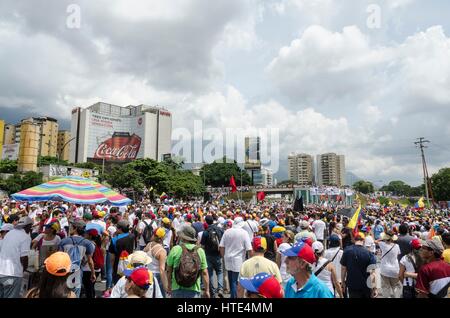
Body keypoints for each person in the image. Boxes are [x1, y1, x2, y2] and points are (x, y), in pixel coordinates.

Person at [167, 225, 209, 298]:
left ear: (183, 237)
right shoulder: (200, 251)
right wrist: (207, 290)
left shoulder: (175, 249)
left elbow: (168, 270)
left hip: (177, 287)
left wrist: (169, 285)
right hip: (194, 288)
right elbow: (204, 273)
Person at [58, 219, 95, 298]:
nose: (70, 228)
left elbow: (59, 258)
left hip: (64, 272)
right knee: (75, 294)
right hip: (77, 272)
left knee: (63, 293)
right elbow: (90, 261)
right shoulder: (87, 243)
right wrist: (93, 273)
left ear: (75, 229)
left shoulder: (63, 241)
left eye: (71, 227)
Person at [219, 217, 252, 298]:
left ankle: (233, 296)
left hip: (228, 259)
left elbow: (221, 246)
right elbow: (249, 249)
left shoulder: (227, 231)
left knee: (231, 281)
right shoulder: (244, 233)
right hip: (238, 260)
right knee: (235, 282)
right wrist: (251, 260)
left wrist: (223, 257)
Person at [0, 217, 32, 298]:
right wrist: (24, 269)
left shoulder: (9, 233)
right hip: (12, 274)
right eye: (30, 226)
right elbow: (24, 257)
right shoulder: (25, 237)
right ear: (27, 226)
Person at [340, 232, 378, 298]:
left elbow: (343, 268)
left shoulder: (347, 251)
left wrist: (343, 282)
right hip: (366, 286)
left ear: (354, 239)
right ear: (363, 240)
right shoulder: (369, 253)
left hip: (352, 284)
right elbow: (373, 273)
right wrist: (375, 288)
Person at [200, 215, 224, 298]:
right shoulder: (220, 230)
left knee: (209, 274)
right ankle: (220, 288)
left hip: (208, 255)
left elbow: (202, 245)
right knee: (220, 271)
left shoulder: (206, 232)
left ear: (206, 222)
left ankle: (212, 292)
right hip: (218, 254)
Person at [108, 220, 135, 284]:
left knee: (118, 283)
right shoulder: (132, 236)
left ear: (120, 229)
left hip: (118, 265)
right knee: (127, 281)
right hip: (129, 263)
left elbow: (112, 257)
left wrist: (112, 268)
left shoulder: (114, 240)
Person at [144, 227, 168, 297]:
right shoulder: (162, 251)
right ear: (163, 237)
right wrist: (166, 286)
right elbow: (162, 269)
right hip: (157, 276)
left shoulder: (149, 245)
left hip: (147, 273)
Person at [377, 231, 402, 298]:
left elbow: (376, 241)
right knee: (396, 286)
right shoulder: (397, 246)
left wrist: (383, 238)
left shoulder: (382, 244)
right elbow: (398, 255)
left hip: (385, 269)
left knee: (385, 287)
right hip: (395, 269)